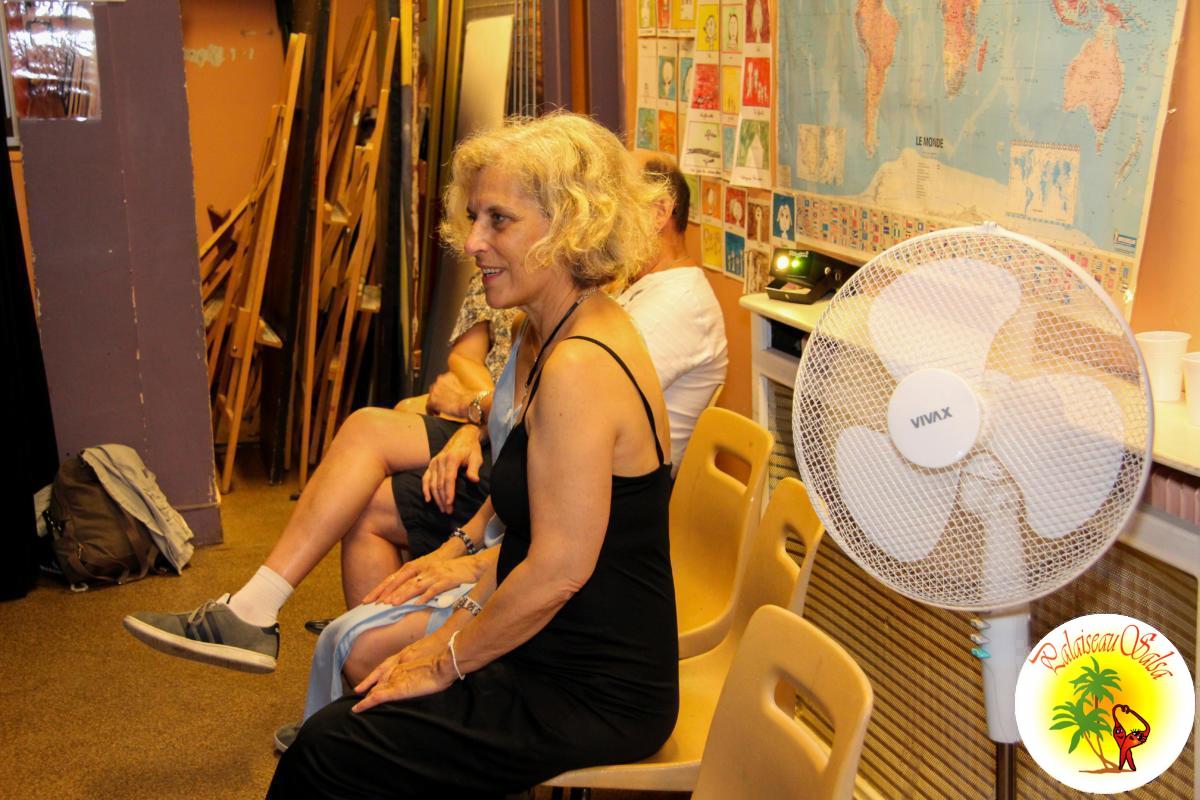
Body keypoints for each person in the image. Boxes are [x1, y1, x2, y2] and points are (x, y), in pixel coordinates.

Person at [270, 112, 679, 798]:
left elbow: (557, 572)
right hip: (555, 649)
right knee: (353, 716)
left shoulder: (580, 364)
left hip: (594, 687)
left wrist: (445, 659)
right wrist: (451, 618)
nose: (474, 242)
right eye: (473, 218)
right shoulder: (564, 329)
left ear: (570, 226)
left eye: (499, 221)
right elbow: (527, 543)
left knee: (329, 750)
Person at [122, 268, 514, 673]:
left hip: (510, 448)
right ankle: (360, 663)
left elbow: (528, 413)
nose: (474, 242)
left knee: (369, 447)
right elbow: (470, 362)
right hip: (491, 425)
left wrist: (475, 409)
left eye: (494, 229)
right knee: (373, 455)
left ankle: (260, 610)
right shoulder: (498, 276)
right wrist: (476, 417)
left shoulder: (549, 304)